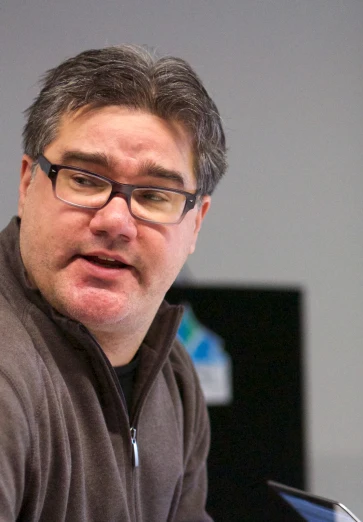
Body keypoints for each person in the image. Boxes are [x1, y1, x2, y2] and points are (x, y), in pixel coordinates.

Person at [0, 45, 226, 521]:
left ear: (196, 225)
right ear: (26, 185)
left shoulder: (173, 373)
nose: (115, 221)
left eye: (153, 195)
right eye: (84, 179)